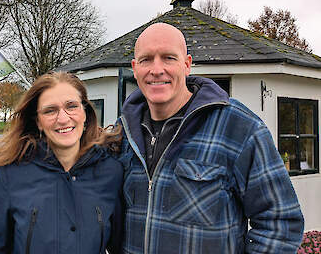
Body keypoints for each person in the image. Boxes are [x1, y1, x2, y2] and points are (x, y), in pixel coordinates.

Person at [117, 23, 304, 253]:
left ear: (187, 65)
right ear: (135, 68)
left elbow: (281, 223)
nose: (156, 69)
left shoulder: (239, 127)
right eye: (146, 59)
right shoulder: (123, 132)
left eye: (168, 58)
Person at [0, 71, 123, 254]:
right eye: (50, 110)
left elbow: (121, 246)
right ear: (38, 122)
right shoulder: (12, 174)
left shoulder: (111, 171)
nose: (63, 119)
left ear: (84, 112)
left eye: (71, 106)